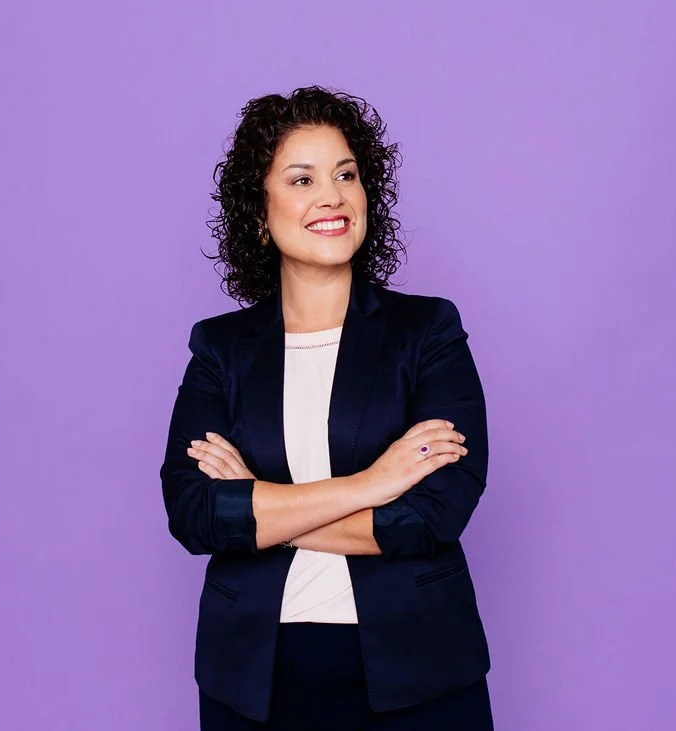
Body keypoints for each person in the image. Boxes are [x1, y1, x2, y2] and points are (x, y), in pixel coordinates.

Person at [160, 86, 493, 730]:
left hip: (418, 670)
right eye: (302, 178)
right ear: (260, 214)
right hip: (256, 676)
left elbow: (430, 515)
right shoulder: (219, 350)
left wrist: (257, 505)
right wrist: (371, 484)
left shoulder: (428, 332)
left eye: (346, 174)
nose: (333, 196)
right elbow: (195, 514)